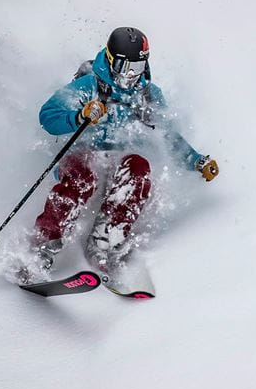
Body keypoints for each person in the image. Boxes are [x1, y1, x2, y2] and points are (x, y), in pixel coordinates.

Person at [27, 26, 218, 278]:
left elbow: (168, 135)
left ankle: (105, 243)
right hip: (82, 155)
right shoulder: (89, 86)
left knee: (139, 168)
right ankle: (41, 248)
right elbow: (47, 116)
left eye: (137, 68)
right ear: (109, 59)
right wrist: (80, 115)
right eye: (123, 66)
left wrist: (196, 161)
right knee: (82, 177)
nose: (130, 75)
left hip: (117, 161)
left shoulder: (148, 95)